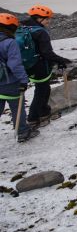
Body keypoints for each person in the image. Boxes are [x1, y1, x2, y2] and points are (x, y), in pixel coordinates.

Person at [19, 4, 71, 126]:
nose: (49, 21)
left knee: (43, 89)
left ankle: (43, 112)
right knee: (41, 91)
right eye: (47, 19)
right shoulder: (41, 32)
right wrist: (62, 61)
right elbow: (47, 53)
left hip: (27, 65)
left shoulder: (24, 29)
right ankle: (34, 117)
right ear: (38, 18)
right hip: (40, 66)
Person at [0, 13, 35, 142]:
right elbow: (14, 64)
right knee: (17, 107)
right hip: (10, 82)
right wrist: (23, 80)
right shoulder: (10, 42)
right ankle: (21, 132)